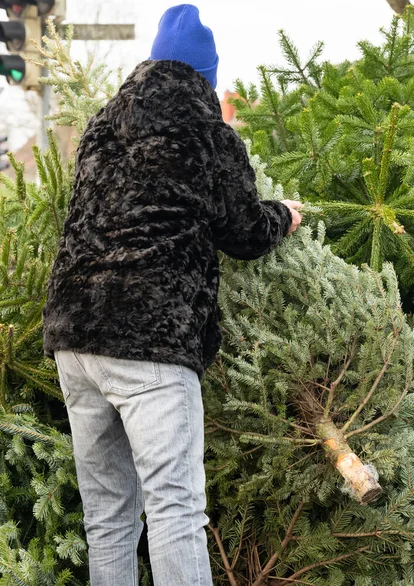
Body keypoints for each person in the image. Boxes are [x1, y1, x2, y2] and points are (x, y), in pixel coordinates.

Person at [42, 5, 302, 586]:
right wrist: (283, 215)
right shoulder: (209, 135)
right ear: (206, 77)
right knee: (175, 510)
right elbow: (243, 232)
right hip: (149, 341)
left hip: (74, 338)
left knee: (107, 517)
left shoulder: (102, 128)